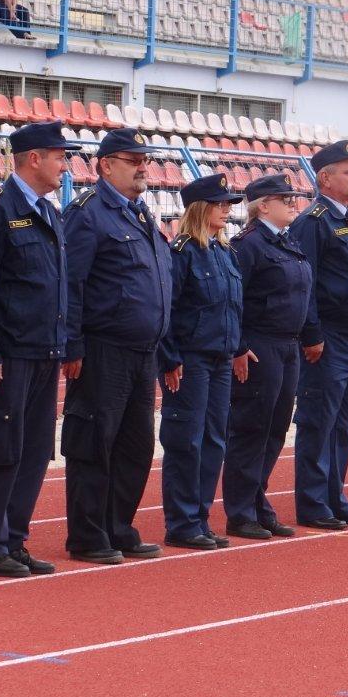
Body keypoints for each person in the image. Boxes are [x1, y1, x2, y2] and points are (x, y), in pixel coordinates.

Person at [0, 121, 80, 578]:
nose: (65, 164)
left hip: (44, 352)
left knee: (34, 451)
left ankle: (14, 539)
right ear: (34, 158)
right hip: (9, 355)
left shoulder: (51, 212)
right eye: (59, 156)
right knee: (1, 448)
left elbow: (58, 288)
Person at [60, 127, 171, 564]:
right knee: (94, 443)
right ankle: (88, 535)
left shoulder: (141, 212)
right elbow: (71, 283)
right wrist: (72, 345)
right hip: (103, 348)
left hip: (143, 352)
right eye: (133, 159)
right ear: (106, 166)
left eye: (144, 159)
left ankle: (118, 527)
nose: (143, 166)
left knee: (135, 446)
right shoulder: (87, 213)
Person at [290, 140, 348, 530]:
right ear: (324, 178)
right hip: (329, 339)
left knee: (345, 424)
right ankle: (314, 503)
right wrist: (312, 333)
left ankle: (335, 497)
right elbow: (305, 282)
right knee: (319, 421)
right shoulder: (313, 222)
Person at [223, 173, 311, 540]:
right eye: (284, 198)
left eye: (292, 197)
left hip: (287, 345)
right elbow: (233, 300)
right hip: (260, 345)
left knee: (275, 429)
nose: (293, 204)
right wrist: (239, 346)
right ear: (262, 206)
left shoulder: (286, 241)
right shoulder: (249, 245)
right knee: (251, 428)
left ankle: (259, 503)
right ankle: (241, 512)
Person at [158, 173, 243, 550]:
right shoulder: (182, 252)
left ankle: (201, 517)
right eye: (220, 203)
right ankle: (182, 521)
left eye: (228, 204)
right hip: (190, 360)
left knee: (214, 441)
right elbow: (168, 310)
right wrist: (170, 357)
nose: (227, 209)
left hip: (220, 358)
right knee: (186, 441)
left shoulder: (225, 252)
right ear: (200, 208)